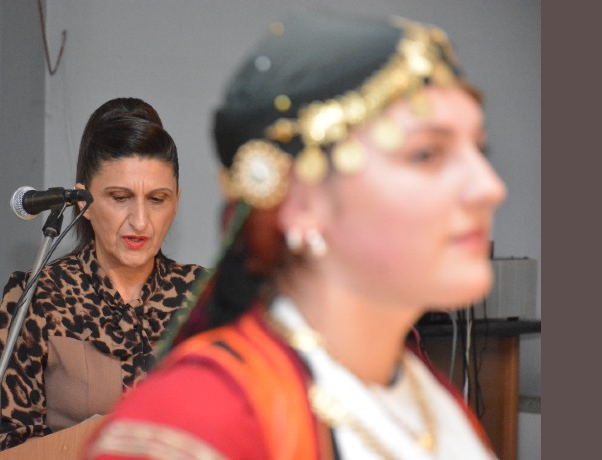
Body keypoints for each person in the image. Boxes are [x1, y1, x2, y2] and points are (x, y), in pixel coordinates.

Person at [83, 10, 506, 460]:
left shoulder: (436, 400)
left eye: (480, 150)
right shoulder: (200, 422)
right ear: (303, 204)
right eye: (426, 153)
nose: (489, 187)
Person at [0, 97, 209, 459]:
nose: (140, 221)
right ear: (83, 202)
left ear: (176, 200)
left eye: (157, 199)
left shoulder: (206, 297)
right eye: (120, 197)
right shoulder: (39, 296)